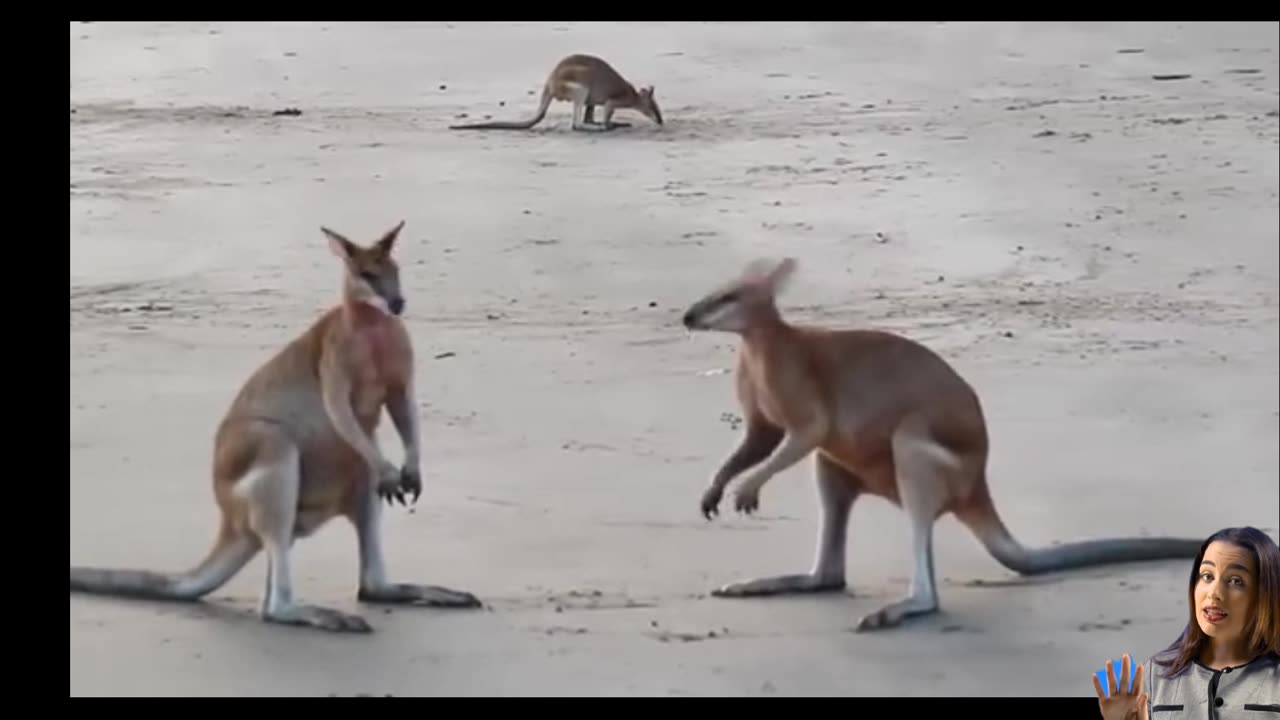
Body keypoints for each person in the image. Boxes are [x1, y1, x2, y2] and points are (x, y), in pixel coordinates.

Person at [1092, 526, 1279, 719]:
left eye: (1235, 581)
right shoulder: (1156, 676)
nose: (1213, 593)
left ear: (1266, 594)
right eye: (1207, 576)